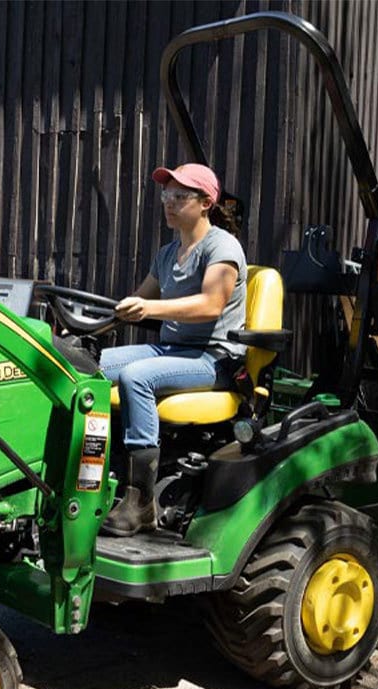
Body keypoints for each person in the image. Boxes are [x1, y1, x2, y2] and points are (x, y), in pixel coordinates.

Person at [99, 163, 247, 536]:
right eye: (167, 195)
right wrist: (85, 323)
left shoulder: (222, 247)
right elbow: (136, 300)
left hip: (215, 358)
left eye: (181, 196)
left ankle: (141, 500)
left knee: (136, 377)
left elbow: (211, 304)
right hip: (173, 349)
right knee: (90, 365)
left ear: (206, 203)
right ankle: (94, 474)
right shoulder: (168, 253)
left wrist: (150, 308)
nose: (170, 203)